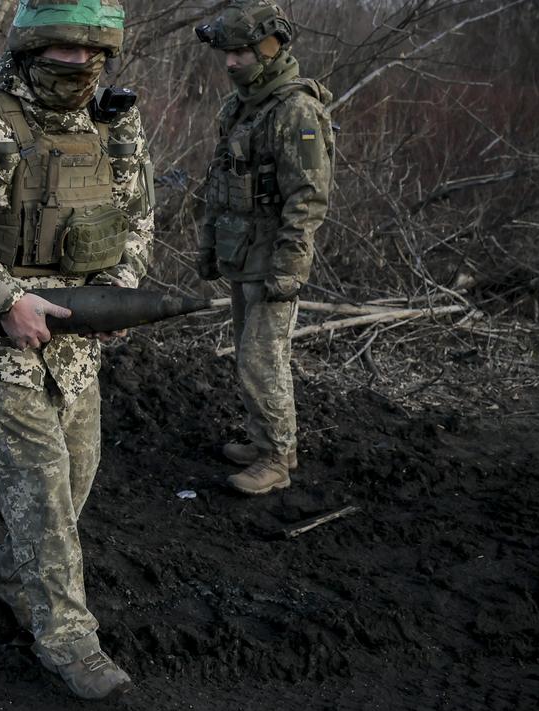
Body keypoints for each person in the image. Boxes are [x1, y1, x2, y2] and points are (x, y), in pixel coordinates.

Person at [0, 0, 153, 701]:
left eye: (91, 53)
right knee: (41, 495)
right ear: (31, 48)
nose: (78, 66)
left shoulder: (113, 121)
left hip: (78, 341)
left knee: (76, 479)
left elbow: (135, 215)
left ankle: (13, 577)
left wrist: (120, 293)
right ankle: (68, 639)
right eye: (62, 52)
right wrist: (2, 297)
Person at [194, 0, 334, 495]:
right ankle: (270, 442)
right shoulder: (240, 107)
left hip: (272, 259)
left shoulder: (296, 110)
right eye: (227, 53)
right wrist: (209, 244)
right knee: (249, 355)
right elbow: (219, 182)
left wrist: (290, 268)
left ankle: (276, 458)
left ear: (271, 48)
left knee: (261, 358)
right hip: (243, 253)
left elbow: (308, 198)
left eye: (242, 53)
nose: (231, 63)